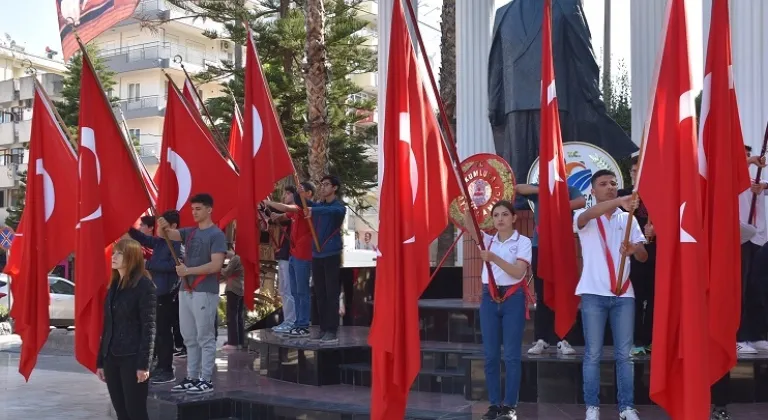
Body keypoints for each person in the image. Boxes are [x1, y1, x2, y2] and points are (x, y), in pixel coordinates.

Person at [574, 170, 647, 420]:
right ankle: (591, 407)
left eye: (614, 184)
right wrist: (619, 201)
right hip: (593, 294)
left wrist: (633, 249)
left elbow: (643, 256)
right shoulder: (586, 217)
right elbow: (585, 216)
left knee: (624, 354)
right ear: (592, 191)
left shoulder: (628, 220)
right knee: (593, 353)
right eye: (603, 184)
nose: (610, 187)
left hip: (623, 294)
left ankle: (626, 407)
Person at [464, 202, 532, 420]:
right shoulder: (488, 240)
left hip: (513, 298)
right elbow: (470, 226)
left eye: (504, 214)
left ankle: (510, 405)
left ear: (514, 218)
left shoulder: (523, 242)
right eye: (495, 215)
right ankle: (494, 404)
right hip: (489, 297)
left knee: (511, 355)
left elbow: (518, 272)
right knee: (491, 355)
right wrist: (468, 207)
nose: (500, 219)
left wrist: (494, 258)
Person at [157, 193, 227, 395]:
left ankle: (206, 379)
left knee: (205, 336)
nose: (194, 212)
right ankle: (192, 376)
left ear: (209, 209)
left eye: (198, 209)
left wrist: (188, 271)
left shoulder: (216, 235)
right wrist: (162, 224)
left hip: (204, 291)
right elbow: (166, 235)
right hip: (186, 290)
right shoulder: (191, 232)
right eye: (192, 209)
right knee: (189, 337)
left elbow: (216, 265)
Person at [515, 182, 585, 355]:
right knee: (542, 293)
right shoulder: (539, 188)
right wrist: (543, 190)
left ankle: (564, 339)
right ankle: (541, 339)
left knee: (564, 292)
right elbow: (518, 188)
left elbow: (581, 202)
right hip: (541, 247)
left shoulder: (569, 188)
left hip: (562, 247)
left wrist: (557, 202)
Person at [96, 238, 157, 420]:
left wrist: (144, 365)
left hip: (132, 358)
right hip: (111, 358)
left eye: (119, 253)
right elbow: (107, 326)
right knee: (121, 411)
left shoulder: (145, 286)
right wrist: (100, 361)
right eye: (114, 252)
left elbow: (149, 328)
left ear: (131, 256)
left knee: (135, 412)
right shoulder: (113, 286)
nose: (113, 257)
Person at [127, 210, 182, 384]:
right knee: (157, 332)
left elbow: (174, 266)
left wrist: (149, 264)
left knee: (164, 333)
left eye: (163, 224)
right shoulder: (159, 242)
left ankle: (166, 368)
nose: (159, 228)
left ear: (173, 226)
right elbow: (143, 239)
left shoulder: (176, 244)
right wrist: (126, 225)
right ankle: (159, 365)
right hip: (156, 293)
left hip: (167, 294)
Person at [264, 182, 316, 338]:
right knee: (292, 291)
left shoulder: (304, 209)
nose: (295, 195)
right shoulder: (295, 212)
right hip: (293, 255)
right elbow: (282, 215)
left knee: (301, 292)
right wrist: (272, 215)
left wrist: (267, 202)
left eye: (300, 192)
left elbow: (287, 209)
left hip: (303, 256)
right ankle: (296, 322)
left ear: (309, 194)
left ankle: (302, 323)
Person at [300, 176, 347, 343]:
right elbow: (307, 205)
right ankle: (323, 328)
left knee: (331, 293)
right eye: (322, 184)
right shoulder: (319, 206)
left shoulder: (338, 207)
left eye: (327, 184)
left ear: (334, 188)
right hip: (317, 255)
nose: (323, 187)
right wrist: (300, 195)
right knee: (319, 293)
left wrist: (314, 210)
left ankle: (332, 330)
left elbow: (331, 211)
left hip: (331, 254)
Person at [617, 156, 656, 355]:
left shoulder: (659, 196)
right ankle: (634, 340)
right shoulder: (623, 196)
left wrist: (658, 229)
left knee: (654, 299)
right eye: (633, 171)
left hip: (655, 254)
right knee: (634, 298)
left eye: (640, 171)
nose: (636, 175)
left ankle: (650, 339)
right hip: (630, 254)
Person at [737, 145, 768, 354]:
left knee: (755, 289)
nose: (749, 160)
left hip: (759, 239)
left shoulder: (756, 183)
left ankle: (755, 335)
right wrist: (748, 161)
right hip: (740, 238)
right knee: (740, 288)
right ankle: (737, 336)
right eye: (744, 157)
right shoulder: (732, 181)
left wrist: (764, 186)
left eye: (749, 155)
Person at [269, 185, 297, 333]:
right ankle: (288, 320)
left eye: (288, 193)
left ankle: (291, 321)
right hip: (284, 255)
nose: (285, 195)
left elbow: (284, 210)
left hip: (292, 256)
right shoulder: (288, 214)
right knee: (284, 290)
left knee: (289, 290)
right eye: (285, 193)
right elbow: (278, 216)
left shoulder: (296, 210)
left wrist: (268, 204)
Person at [220, 246, 244, 350]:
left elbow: (226, 272)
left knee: (232, 316)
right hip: (242, 288)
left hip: (233, 288)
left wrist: (216, 267)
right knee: (239, 317)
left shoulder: (236, 258)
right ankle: (239, 341)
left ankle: (232, 342)